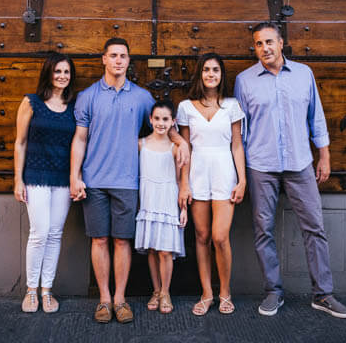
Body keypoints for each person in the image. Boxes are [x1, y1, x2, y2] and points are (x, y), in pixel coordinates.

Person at [234, 22, 346, 318]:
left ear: (281, 42)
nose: (265, 48)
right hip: (261, 166)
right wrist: (239, 173)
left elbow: (317, 117)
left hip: (300, 163)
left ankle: (323, 294)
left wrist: (323, 156)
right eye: (259, 44)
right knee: (264, 230)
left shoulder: (304, 74)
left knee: (314, 227)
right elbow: (239, 131)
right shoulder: (244, 80)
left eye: (269, 42)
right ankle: (273, 291)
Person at [70, 38, 189, 324]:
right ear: (104, 59)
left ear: (128, 61)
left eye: (123, 56)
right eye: (113, 55)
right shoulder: (88, 97)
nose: (118, 60)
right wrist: (75, 176)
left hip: (128, 181)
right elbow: (80, 139)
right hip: (95, 179)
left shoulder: (142, 97)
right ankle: (104, 300)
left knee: (122, 241)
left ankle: (120, 300)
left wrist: (179, 140)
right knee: (99, 240)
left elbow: (161, 125)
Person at [177, 53, 246, 316]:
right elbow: (185, 148)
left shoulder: (232, 105)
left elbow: (237, 145)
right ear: (200, 73)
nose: (211, 74)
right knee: (202, 237)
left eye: (215, 70)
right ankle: (206, 293)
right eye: (206, 70)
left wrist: (242, 180)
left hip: (224, 172)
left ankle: (225, 292)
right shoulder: (185, 107)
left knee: (220, 236)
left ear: (221, 74)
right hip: (197, 173)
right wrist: (184, 184)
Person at [13, 52, 77, 314]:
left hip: (62, 179)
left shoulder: (74, 106)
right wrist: (18, 179)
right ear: (48, 73)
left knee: (54, 234)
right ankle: (30, 291)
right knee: (39, 234)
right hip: (37, 176)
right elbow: (20, 142)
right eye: (58, 71)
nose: (62, 76)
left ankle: (47, 290)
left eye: (66, 72)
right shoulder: (32, 102)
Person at [134, 100, 188, 315]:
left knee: (165, 250)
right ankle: (155, 290)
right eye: (156, 118)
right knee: (153, 249)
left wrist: (183, 208)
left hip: (167, 200)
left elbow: (181, 179)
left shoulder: (176, 148)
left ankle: (166, 291)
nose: (160, 123)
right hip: (148, 200)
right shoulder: (141, 144)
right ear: (150, 120)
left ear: (173, 121)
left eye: (165, 119)